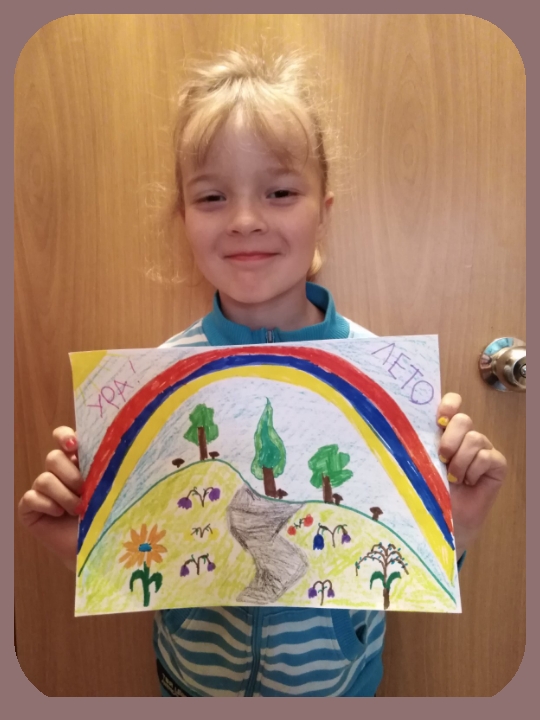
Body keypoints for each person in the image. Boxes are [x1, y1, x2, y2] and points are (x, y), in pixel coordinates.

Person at [18, 49, 507, 697]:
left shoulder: (381, 377)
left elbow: (400, 560)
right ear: (184, 218)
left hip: (341, 688)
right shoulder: (159, 382)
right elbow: (148, 556)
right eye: (212, 197)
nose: (246, 219)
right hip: (191, 686)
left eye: (279, 193)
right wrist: (82, 547)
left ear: (322, 210)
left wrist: (457, 528)